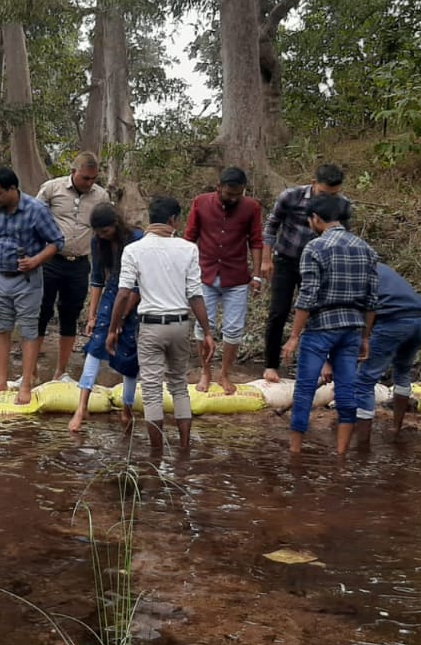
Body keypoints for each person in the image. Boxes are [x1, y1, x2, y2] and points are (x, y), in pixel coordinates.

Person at [107, 196, 214, 452]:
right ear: (174, 220)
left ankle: (157, 457)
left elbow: (123, 293)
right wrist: (207, 332)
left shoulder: (134, 250)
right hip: (179, 324)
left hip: (150, 326)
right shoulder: (188, 249)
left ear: (150, 219)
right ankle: (184, 450)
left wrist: (114, 328)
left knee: (153, 390)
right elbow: (195, 294)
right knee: (179, 385)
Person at [281, 195, 379, 455]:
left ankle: (295, 453)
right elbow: (372, 300)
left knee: (304, 390)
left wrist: (294, 335)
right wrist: (366, 337)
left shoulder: (315, 248)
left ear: (316, 219)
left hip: (321, 327)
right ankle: (341, 455)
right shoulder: (366, 249)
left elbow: (308, 296)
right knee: (346, 391)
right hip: (352, 329)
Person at [0, 166, 65, 405]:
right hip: (0, 278)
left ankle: (27, 384)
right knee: (2, 328)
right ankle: (0, 380)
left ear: (12, 190)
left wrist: (36, 260)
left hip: (28, 280)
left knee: (29, 330)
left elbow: (57, 242)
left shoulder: (36, 210)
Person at [262, 164, 352, 383]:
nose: (328, 199)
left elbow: (342, 236)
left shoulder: (344, 205)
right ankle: (271, 365)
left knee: (320, 313)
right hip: (287, 260)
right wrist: (266, 259)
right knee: (278, 312)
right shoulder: (291, 197)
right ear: (314, 184)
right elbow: (272, 225)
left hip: (319, 264)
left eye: (334, 194)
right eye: (323, 193)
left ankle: (323, 364)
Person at [184, 166, 264, 394]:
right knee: (202, 326)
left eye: (238, 194)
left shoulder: (251, 207)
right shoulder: (201, 202)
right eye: (229, 194)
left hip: (237, 277)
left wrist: (256, 275)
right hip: (205, 274)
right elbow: (190, 237)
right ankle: (206, 372)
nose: (233, 198)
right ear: (218, 188)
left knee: (234, 329)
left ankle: (225, 374)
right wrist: (186, 272)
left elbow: (256, 241)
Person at [35, 152, 110, 382]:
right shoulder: (51, 188)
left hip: (79, 264)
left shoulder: (101, 196)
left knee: (69, 316)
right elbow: (33, 218)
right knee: (40, 314)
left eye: (93, 179)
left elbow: (106, 230)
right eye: (85, 178)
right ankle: (30, 372)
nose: (89, 183)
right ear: (73, 172)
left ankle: (61, 372)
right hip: (50, 262)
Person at [69, 203, 143, 433]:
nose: (102, 236)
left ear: (116, 225)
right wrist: (92, 315)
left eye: (106, 231)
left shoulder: (137, 238)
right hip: (113, 292)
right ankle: (81, 407)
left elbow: (140, 284)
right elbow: (98, 279)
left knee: (130, 352)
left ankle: (127, 409)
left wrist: (121, 319)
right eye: (98, 232)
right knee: (95, 346)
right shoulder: (97, 242)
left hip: (136, 293)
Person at [354, 262, 421, 448]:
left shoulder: (353, 270)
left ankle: (362, 445)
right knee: (403, 372)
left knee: (364, 380)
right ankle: (396, 430)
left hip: (393, 319)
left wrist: (362, 339)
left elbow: (366, 308)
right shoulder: (380, 267)